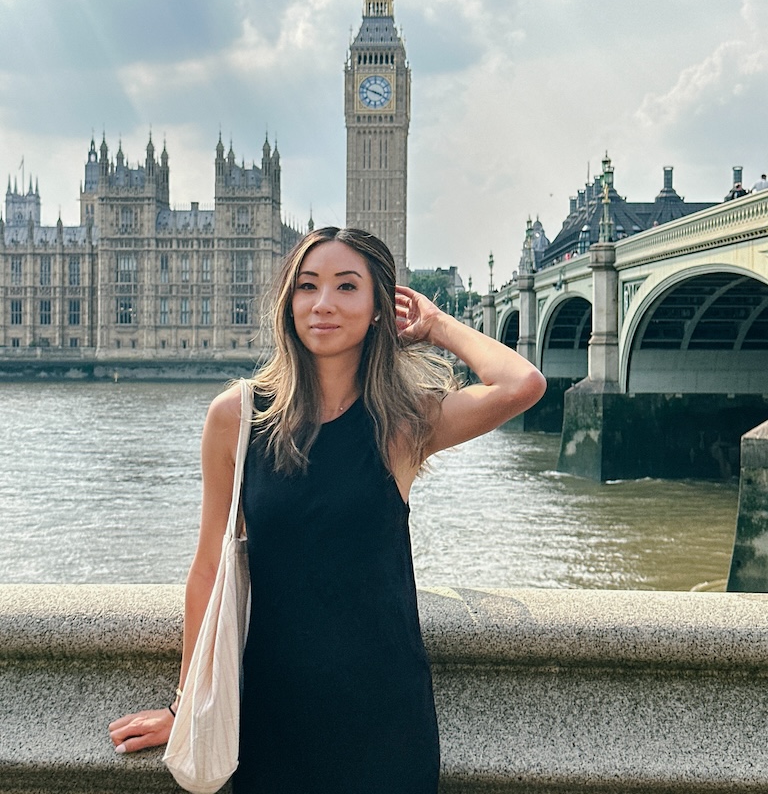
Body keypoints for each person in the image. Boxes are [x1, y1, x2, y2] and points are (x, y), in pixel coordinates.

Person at [109, 226, 546, 793]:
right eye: (307, 286)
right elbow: (207, 570)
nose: (322, 304)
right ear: (288, 302)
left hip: (386, 717)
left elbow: (522, 383)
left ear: (377, 308)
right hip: (271, 712)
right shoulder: (238, 418)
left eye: (346, 287)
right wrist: (185, 704)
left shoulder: (402, 425)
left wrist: (436, 325)